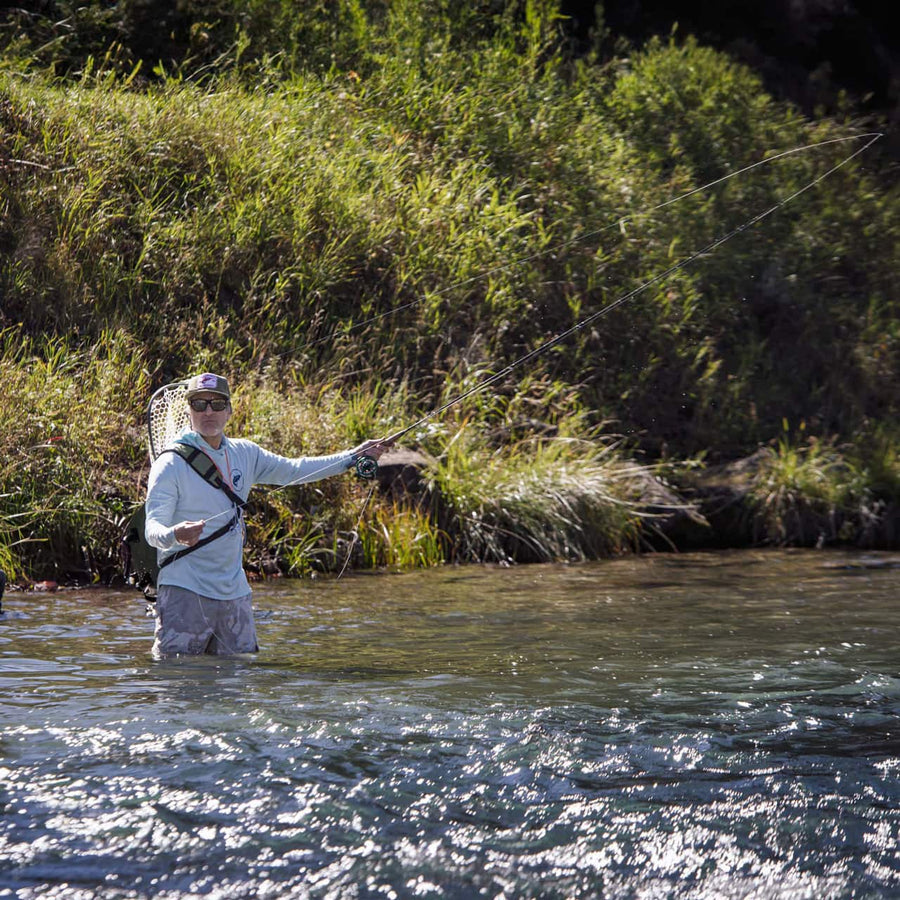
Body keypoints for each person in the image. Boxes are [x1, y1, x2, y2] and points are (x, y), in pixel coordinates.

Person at [144, 372, 389, 658]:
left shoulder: (246, 453)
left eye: (217, 403)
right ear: (189, 412)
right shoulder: (170, 464)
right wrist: (175, 534)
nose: (208, 411)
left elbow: (297, 470)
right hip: (184, 590)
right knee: (178, 681)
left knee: (241, 681)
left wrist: (354, 456)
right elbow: (152, 529)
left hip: (234, 594)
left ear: (230, 410)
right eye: (199, 404)